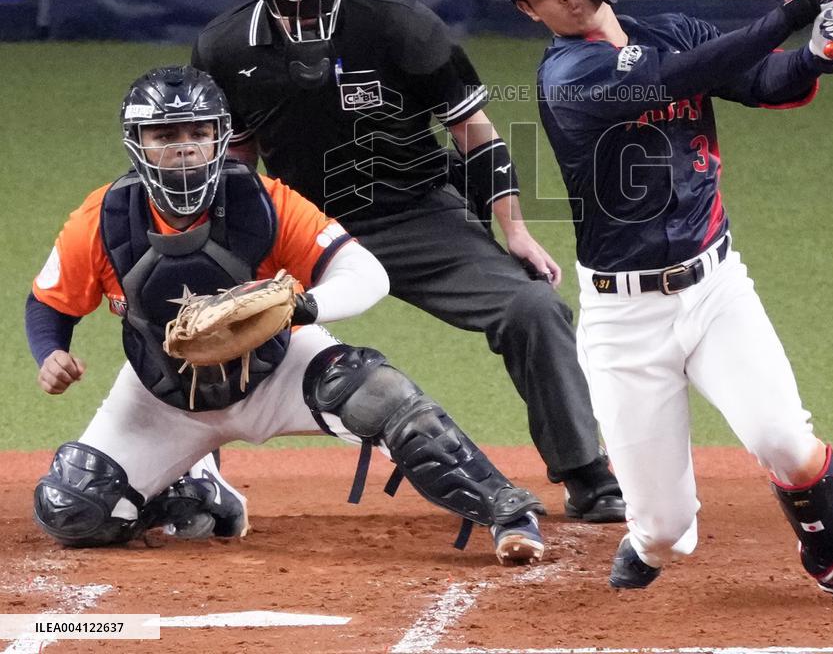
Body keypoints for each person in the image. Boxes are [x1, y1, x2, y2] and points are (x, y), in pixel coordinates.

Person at [495, 0, 833, 607]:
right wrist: (799, 6)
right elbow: (675, 78)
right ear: (529, 10)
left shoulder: (673, 30)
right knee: (663, 527)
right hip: (624, 320)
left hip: (716, 289)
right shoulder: (568, 76)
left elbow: (765, 79)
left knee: (785, 438)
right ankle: (649, 541)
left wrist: (821, 51)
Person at [190, 0, 624, 522]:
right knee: (207, 317)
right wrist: (232, 251)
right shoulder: (224, 47)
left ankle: (586, 473)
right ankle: (194, 482)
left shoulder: (396, 23)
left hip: (417, 214)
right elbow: (239, 159)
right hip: (304, 227)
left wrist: (516, 232)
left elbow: (474, 133)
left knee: (534, 309)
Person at [26, 65, 545, 565]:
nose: (184, 148)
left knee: (377, 394)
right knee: (73, 508)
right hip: (163, 394)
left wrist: (303, 307)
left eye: (197, 132)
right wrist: (50, 352)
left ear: (220, 139)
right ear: (138, 144)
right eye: (165, 136)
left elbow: (366, 274)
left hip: (277, 366)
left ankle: (507, 511)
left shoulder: (265, 203)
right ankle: (195, 492)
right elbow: (48, 302)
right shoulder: (104, 218)